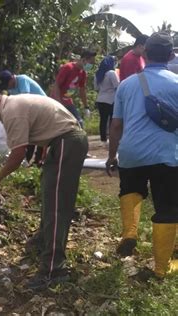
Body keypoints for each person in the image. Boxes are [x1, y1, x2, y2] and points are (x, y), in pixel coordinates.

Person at [0, 84, 88, 290]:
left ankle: (53, 269)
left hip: (66, 142)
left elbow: (17, 156)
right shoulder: (13, 106)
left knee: (57, 205)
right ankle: (44, 239)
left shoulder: (12, 112)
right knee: (50, 195)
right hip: (61, 143)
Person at [106, 32, 178, 278]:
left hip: (131, 153)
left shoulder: (126, 84)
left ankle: (129, 232)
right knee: (167, 208)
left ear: (145, 54)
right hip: (166, 156)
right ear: (170, 56)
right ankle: (161, 269)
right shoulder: (177, 83)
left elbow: (116, 126)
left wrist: (111, 156)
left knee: (131, 190)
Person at [0, 70, 47, 165]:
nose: (8, 87)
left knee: (40, 135)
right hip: (31, 109)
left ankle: (38, 161)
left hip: (42, 108)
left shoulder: (22, 80)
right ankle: (27, 161)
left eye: (8, 83)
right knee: (28, 136)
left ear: (12, 78)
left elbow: (25, 100)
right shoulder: (11, 87)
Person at [51, 50, 97, 127]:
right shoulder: (68, 68)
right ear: (83, 60)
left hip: (68, 101)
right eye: (91, 63)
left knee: (79, 123)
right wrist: (58, 104)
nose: (91, 66)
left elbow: (82, 90)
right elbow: (56, 85)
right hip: (57, 101)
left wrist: (86, 107)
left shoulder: (83, 73)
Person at [94, 56, 119, 146]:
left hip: (100, 99)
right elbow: (117, 86)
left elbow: (96, 88)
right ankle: (112, 137)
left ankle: (103, 139)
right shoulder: (112, 73)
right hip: (111, 100)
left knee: (103, 120)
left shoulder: (98, 74)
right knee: (112, 120)